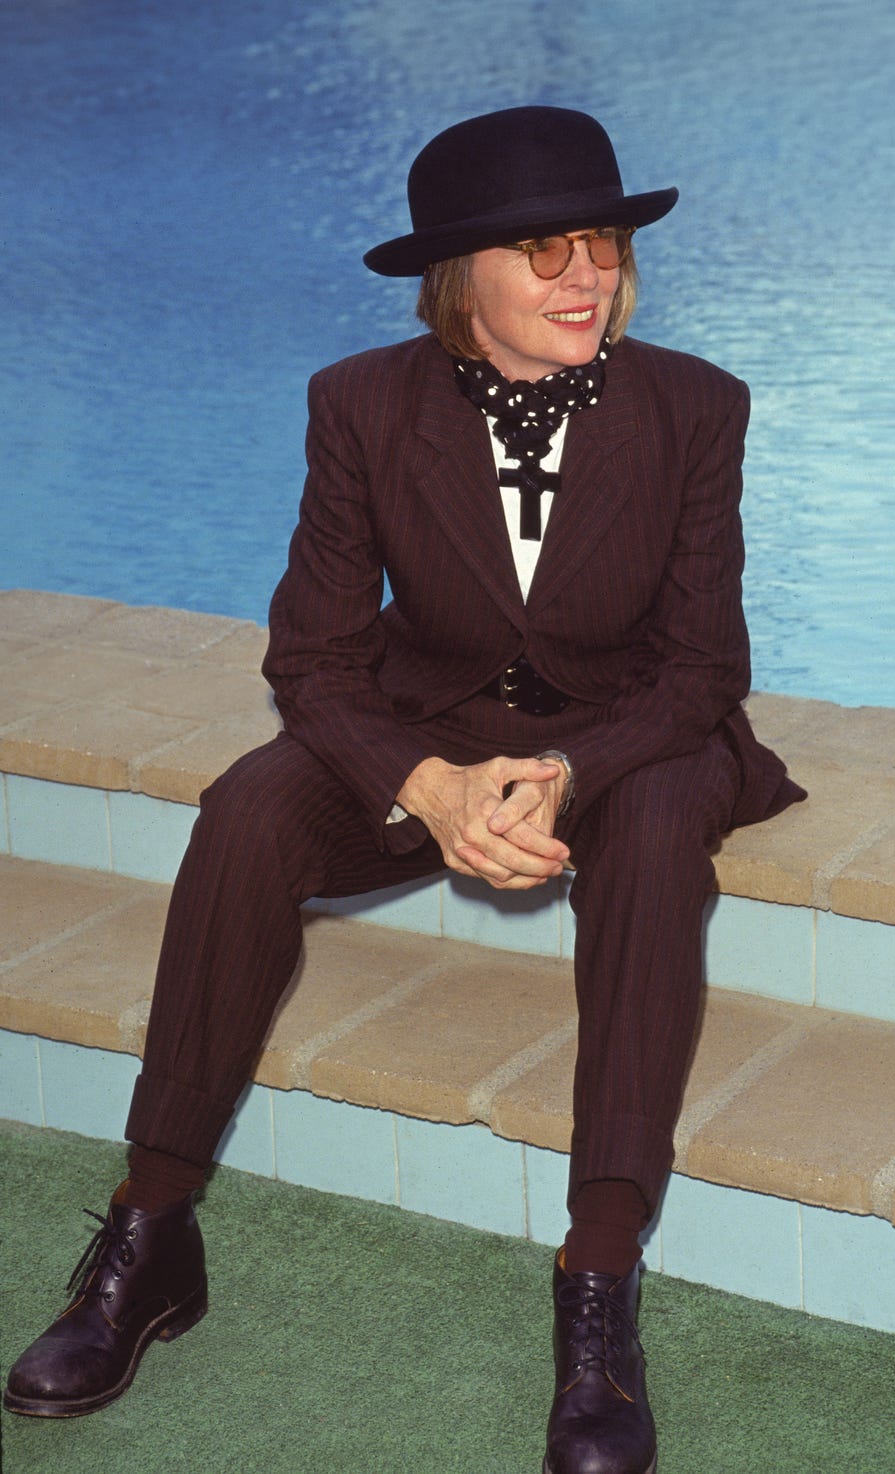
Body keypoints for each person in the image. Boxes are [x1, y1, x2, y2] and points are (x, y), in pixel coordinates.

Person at [4, 105, 804, 1473]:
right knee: (248, 805)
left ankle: (598, 1288)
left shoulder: (695, 407)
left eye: (601, 244)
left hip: (631, 739)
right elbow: (312, 657)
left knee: (665, 823)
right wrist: (430, 785)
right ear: (460, 281)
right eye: (544, 250)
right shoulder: (359, 405)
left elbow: (700, 670)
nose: (586, 276)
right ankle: (150, 1232)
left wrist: (563, 771)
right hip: (426, 726)